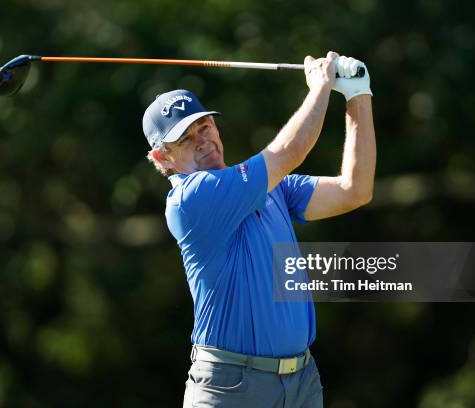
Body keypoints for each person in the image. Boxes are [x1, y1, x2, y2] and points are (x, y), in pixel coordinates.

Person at [142, 51, 376, 407]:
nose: (202, 140)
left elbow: (354, 190)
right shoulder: (190, 200)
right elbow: (290, 151)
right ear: (162, 157)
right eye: (185, 138)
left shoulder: (272, 187)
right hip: (233, 387)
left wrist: (358, 95)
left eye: (204, 127)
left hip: (301, 383)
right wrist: (320, 86)